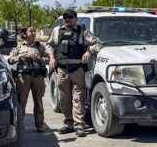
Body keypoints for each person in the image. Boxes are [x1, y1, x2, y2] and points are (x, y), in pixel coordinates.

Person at [46, 9, 101, 137]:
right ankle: (68, 124)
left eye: (70, 17)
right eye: (65, 17)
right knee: (64, 99)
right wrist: (51, 58)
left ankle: (79, 125)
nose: (67, 20)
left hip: (77, 69)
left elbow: (97, 43)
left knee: (78, 98)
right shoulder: (56, 30)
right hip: (62, 69)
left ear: (76, 19)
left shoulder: (82, 31)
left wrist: (89, 52)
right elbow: (49, 45)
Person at [7, 26, 49, 132]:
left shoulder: (39, 46)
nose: (34, 33)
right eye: (31, 31)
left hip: (38, 76)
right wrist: (20, 57)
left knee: (38, 101)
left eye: (34, 31)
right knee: (21, 102)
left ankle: (40, 125)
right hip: (23, 77)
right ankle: (19, 127)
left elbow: (48, 59)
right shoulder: (18, 47)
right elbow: (10, 60)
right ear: (24, 34)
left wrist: (39, 58)